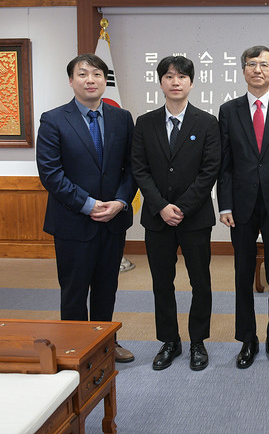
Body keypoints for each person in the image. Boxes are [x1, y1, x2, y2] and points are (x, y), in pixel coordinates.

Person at [36, 53, 137, 363]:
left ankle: (106, 343)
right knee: (74, 291)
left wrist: (120, 202)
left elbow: (133, 168)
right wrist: (88, 204)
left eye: (96, 74)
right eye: (82, 74)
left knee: (107, 289)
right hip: (72, 222)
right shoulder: (53, 119)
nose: (90, 80)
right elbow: (50, 173)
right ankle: (75, 349)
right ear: (71, 81)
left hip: (113, 220)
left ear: (105, 80)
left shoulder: (122, 118)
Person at [131, 56, 220, 371]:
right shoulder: (145, 123)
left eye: (182, 76)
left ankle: (198, 341)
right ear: (161, 83)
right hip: (157, 218)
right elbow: (139, 169)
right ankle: (170, 341)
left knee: (201, 282)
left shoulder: (207, 122)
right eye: (169, 76)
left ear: (191, 83)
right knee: (161, 282)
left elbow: (210, 170)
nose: (175, 82)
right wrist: (161, 206)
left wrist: (182, 207)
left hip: (195, 218)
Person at [217, 45, 269, 369]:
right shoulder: (229, 110)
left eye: (264, 65)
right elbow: (225, 164)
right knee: (242, 274)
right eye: (251, 64)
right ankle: (247, 340)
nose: (257, 70)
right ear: (243, 71)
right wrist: (224, 204)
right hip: (240, 206)